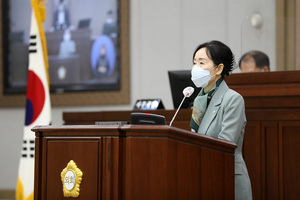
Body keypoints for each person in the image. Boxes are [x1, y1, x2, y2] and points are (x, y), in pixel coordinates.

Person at [190, 40, 252, 200]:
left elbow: (225, 144)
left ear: (219, 68)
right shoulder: (198, 100)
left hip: (227, 176)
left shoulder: (233, 99)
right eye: (194, 63)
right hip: (202, 176)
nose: (196, 68)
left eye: (202, 63)